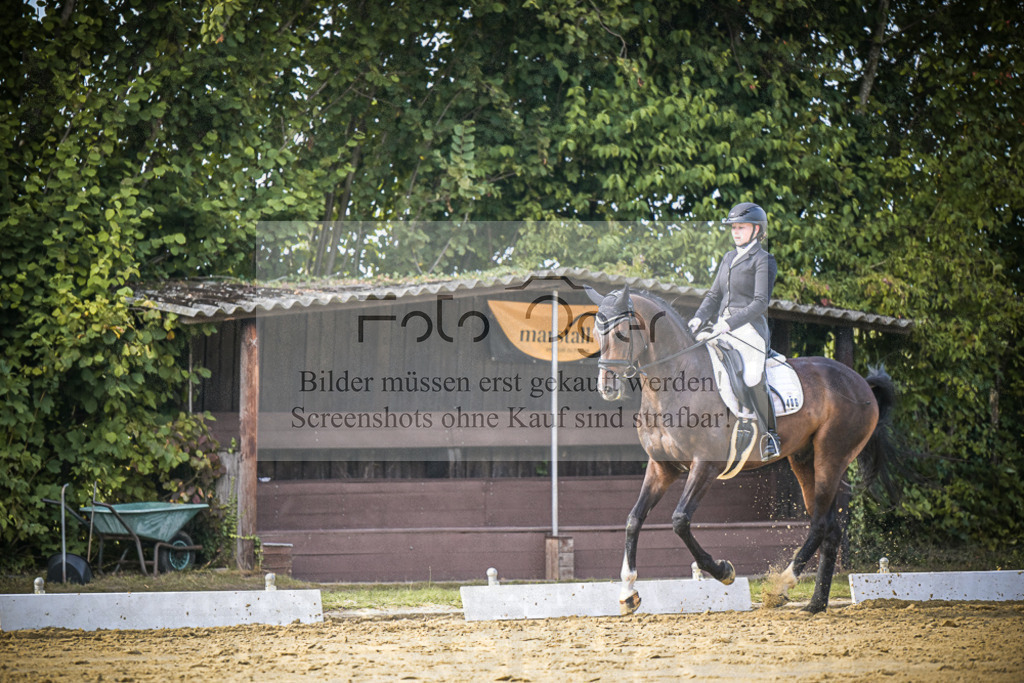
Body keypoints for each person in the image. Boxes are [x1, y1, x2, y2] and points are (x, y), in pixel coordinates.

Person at [688, 202, 780, 460]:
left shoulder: (764, 260)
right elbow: (714, 294)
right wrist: (698, 318)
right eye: (734, 228)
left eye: (741, 227)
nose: (736, 232)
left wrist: (729, 323)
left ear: (757, 230)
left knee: (752, 377)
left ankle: (771, 434)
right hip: (721, 326)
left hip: (750, 330)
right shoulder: (728, 258)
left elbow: (761, 303)